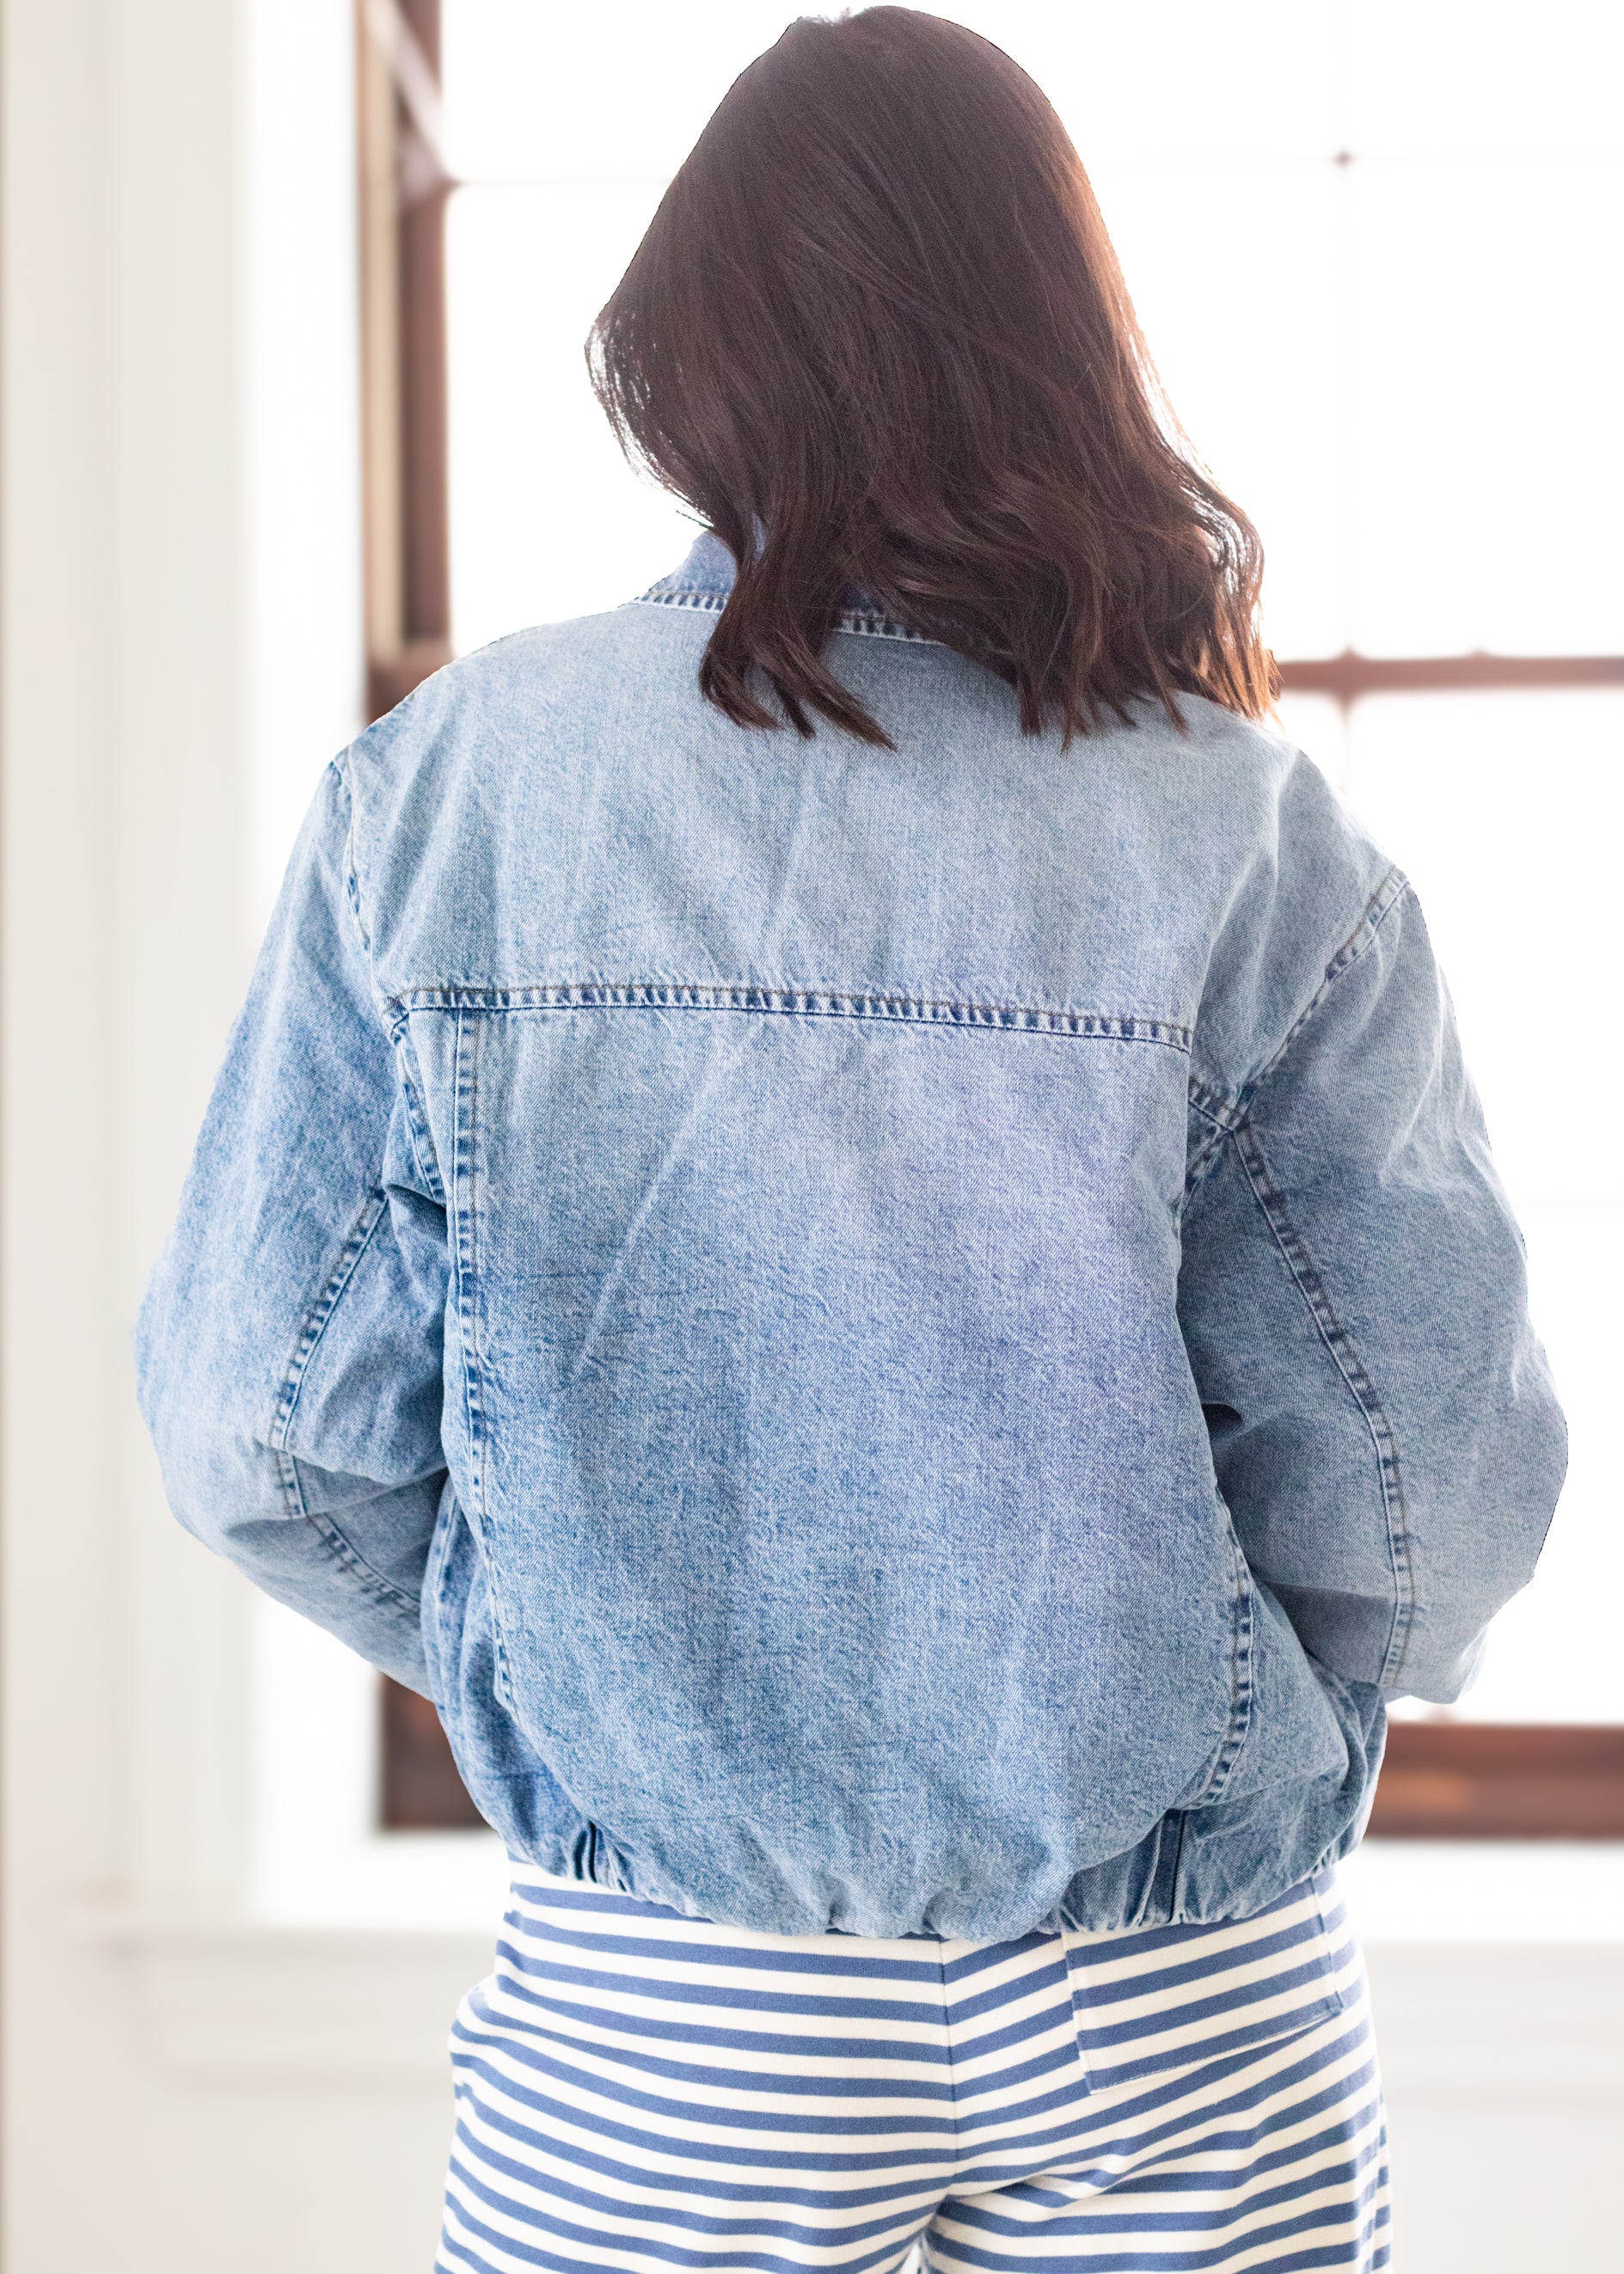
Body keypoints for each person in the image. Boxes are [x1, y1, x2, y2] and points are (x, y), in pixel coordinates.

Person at [135, 10, 1565, 2269]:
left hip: (665, 1999)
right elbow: (1431, 1495)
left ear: (682, 351)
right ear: (1061, 346)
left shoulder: (449, 789)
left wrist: (601, 1675)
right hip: (1174, 1993)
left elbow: (261, 1432)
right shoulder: (1249, 830)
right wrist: (1190, 1716)